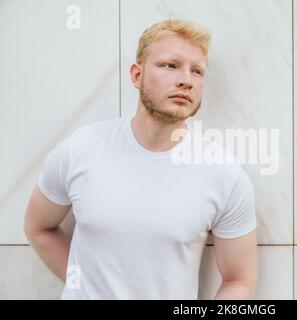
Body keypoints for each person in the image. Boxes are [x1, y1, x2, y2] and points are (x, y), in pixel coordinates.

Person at [24, 18, 258, 299]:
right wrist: (82, 285)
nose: (186, 80)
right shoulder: (80, 149)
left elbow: (239, 280)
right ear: (137, 75)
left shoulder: (224, 175)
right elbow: (38, 227)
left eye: (197, 71)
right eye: (170, 65)